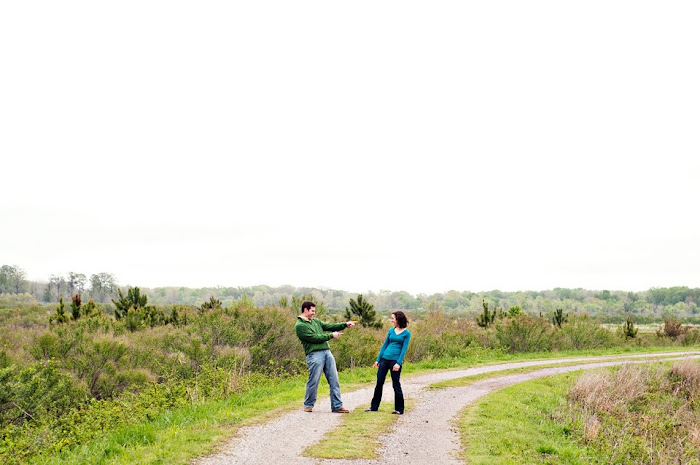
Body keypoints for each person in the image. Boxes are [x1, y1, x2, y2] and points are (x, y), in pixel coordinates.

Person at [295, 300, 356, 413]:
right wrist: (331, 336)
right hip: (314, 355)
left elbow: (329, 326)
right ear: (305, 310)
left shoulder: (316, 322)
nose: (314, 313)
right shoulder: (300, 326)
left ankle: (337, 406)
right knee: (314, 380)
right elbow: (315, 338)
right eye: (312, 311)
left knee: (334, 379)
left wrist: (345, 324)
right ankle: (308, 404)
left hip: (327, 352)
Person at [366, 311, 411, 414]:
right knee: (379, 383)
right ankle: (374, 407)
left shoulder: (406, 333)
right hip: (384, 359)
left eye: (393, 318)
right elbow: (384, 345)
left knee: (396, 384)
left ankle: (399, 409)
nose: (391, 320)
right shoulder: (391, 331)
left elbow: (404, 349)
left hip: (395, 361)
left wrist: (398, 363)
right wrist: (378, 360)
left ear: (398, 319)